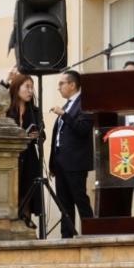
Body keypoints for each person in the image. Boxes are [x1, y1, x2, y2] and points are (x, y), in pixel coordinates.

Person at [48, 70, 94, 238]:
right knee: (64, 203)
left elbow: (83, 129)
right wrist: (53, 163)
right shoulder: (67, 105)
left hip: (76, 162)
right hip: (61, 163)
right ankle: (66, 237)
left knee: (80, 199)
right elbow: (58, 138)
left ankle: (91, 234)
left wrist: (64, 115)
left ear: (72, 85)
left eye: (61, 83)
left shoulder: (85, 102)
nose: (58, 88)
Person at [6, 73, 43, 228]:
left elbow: (42, 134)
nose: (30, 91)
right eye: (27, 87)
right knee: (11, 193)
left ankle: (26, 224)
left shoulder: (34, 111)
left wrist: (37, 135)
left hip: (29, 157)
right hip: (11, 157)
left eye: (32, 87)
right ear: (16, 88)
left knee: (28, 193)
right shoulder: (7, 109)